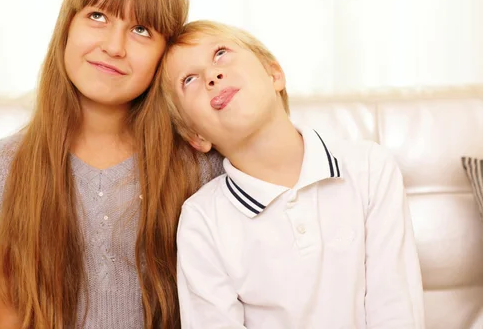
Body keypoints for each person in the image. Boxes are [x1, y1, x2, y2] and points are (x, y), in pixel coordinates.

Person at [0, 0, 221, 329]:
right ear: (67, 25)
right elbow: (11, 318)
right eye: (98, 16)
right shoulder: (8, 163)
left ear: (164, 54)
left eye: (141, 30)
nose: (114, 47)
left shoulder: (200, 163)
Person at [158, 20, 425, 328]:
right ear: (195, 136)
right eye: (189, 79)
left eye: (220, 54)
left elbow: (395, 309)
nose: (211, 76)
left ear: (274, 75)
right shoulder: (201, 221)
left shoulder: (369, 167)